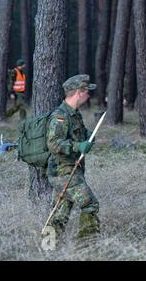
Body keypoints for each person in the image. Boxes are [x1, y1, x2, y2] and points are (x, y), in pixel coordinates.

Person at [46, 74, 100, 242]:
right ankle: (88, 245)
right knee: (90, 205)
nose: (88, 95)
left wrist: (88, 137)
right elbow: (53, 143)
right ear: (78, 93)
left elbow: (79, 135)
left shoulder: (75, 114)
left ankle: (49, 247)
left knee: (60, 213)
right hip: (63, 172)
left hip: (72, 169)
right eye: (86, 92)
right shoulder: (60, 116)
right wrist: (78, 146)